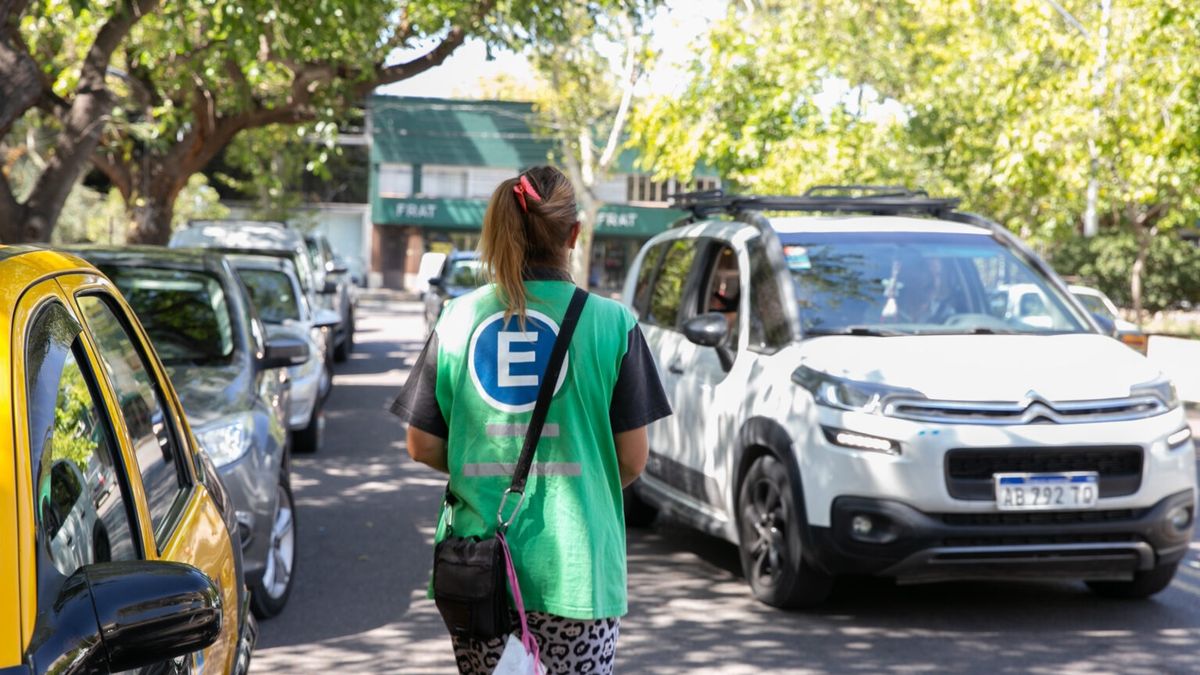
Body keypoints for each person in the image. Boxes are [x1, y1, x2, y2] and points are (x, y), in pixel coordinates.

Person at [391, 165, 672, 675]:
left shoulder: (457, 318)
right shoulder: (613, 324)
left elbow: (421, 444)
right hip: (579, 570)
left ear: (504, 229)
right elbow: (632, 460)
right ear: (574, 234)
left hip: (478, 569)